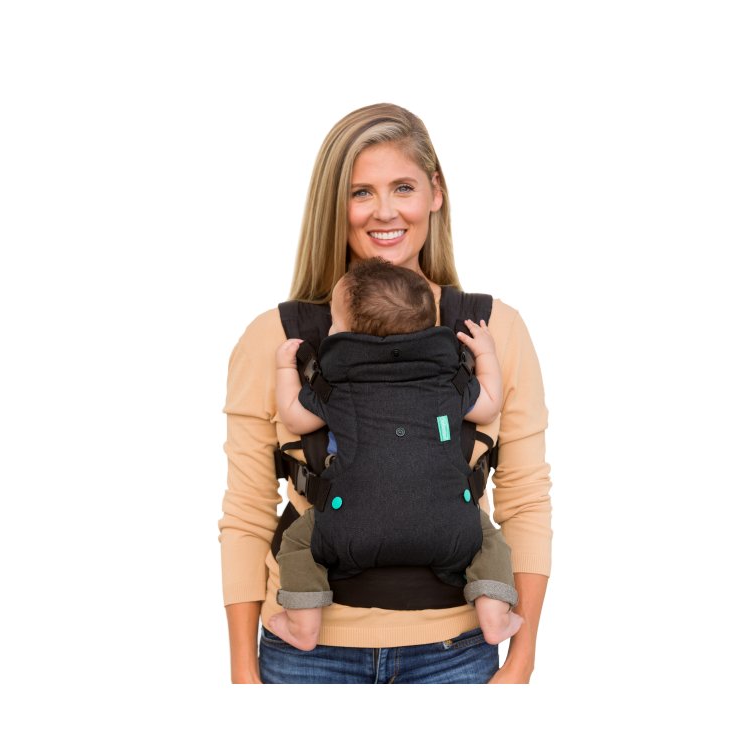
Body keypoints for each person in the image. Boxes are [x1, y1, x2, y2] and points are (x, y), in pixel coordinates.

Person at [220, 103, 551, 684]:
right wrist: (243, 674)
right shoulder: (275, 338)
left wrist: (520, 663)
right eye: (360, 193)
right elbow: (247, 512)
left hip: (456, 651)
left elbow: (524, 501)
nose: (385, 211)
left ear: (435, 193)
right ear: (334, 206)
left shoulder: (493, 331)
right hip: (308, 659)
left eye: (403, 187)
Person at [269, 258, 523, 651]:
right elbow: (489, 404)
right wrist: (486, 355)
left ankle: (303, 624)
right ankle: (494, 614)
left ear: (348, 335)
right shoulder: (446, 380)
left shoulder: (337, 385)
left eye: (334, 323)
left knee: (297, 544)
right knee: (489, 541)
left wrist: (285, 368)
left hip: (351, 525)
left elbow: (293, 416)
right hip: (449, 526)